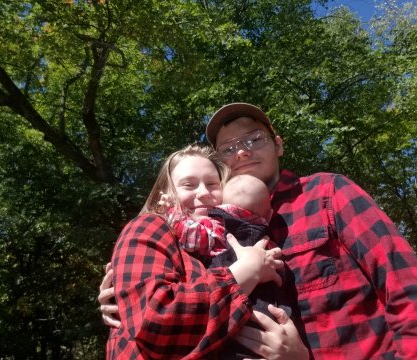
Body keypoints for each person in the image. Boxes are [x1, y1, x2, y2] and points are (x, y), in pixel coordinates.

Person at [99, 102, 417, 359]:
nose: (242, 152)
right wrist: (124, 297)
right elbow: (163, 304)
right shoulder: (201, 230)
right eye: (228, 148)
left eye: (254, 139)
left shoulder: (328, 193)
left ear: (278, 145)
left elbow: (405, 286)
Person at [105, 144, 305, 359]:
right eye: (188, 185)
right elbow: (157, 322)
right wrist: (247, 272)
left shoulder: (234, 242)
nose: (203, 193)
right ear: (167, 194)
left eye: (212, 184)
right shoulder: (149, 227)